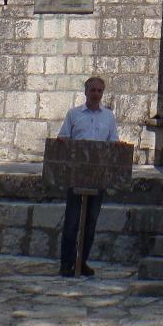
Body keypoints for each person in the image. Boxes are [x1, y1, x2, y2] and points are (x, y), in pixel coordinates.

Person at [56, 75, 118, 277]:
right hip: (76, 174)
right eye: (93, 90)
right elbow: (63, 137)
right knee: (72, 221)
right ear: (86, 92)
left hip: (97, 175)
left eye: (100, 91)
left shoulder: (109, 117)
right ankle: (67, 263)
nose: (96, 94)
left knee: (90, 222)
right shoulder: (73, 115)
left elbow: (113, 143)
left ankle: (82, 262)